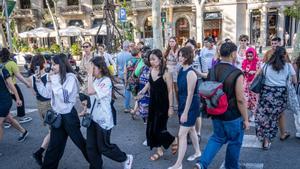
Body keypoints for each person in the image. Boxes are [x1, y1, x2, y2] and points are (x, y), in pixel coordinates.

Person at [194, 42, 250, 169]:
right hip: (232, 114)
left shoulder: (212, 70)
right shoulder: (237, 73)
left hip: (215, 110)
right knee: (235, 142)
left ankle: (201, 164)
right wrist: (246, 119)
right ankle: (231, 167)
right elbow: (240, 99)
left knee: (217, 138)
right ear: (233, 54)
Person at [36, 54, 89, 169]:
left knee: (80, 142)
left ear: (62, 64)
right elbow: (47, 94)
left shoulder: (70, 77)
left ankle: (95, 162)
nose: (52, 66)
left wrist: (53, 80)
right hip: (57, 116)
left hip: (69, 116)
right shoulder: (55, 77)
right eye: (51, 64)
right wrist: (39, 81)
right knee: (54, 146)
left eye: (54, 64)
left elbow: (64, 97)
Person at [83, 56, 133, 169]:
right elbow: (89, 96)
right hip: (92, 118)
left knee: (104, 147)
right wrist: (85, 109)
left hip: (103, 120)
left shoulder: (106, 81)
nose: (91, 70)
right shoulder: (95, 79)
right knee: (91, 147)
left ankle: (125, 158)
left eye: (93, 67)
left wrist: (89, 75)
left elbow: (91, 91)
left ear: (100, 68)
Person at [138, 49, 178, 161]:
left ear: (160, 59)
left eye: (153, 59)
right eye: (150, 59)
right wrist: (143, 91)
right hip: (153, 103)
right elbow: (150, 83)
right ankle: (159, 150)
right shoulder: (151, 70)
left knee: (159, 129)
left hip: (163, 105)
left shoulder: (166, 73)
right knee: (151, 128)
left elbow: (170, 91)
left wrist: (171, 107)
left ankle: (173, 140)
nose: (151, 61)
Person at [255, 47, 296, 150]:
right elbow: (295, 81)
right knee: (274, 117)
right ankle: (269, 139)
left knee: (264, 116)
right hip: (280, 94)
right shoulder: (288, 66)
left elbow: (257, 76)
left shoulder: (265, 65)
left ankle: (265, 139)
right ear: (284, 55)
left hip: (266, 93)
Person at [168, 47, 201, 169]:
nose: (179, 57)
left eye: (182, 56)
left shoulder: (191, 73)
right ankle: (198, 152)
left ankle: (178, 164)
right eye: (179, 55)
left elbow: (191, 94)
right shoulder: (181, 69)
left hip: (191, 105)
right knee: (191, 129)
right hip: (183, 103)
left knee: (182, 134)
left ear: (188, 57)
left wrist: (185, 112)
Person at [262, 37, 291, 140]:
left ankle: (267, 138)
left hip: (267, 90)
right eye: (273, 43)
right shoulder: (269, 54)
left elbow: (260, 72)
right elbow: (292, 76)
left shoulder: (266, 65)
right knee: (280, 112)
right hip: (280, 91)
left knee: (268, 113)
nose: (274, 45)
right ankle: (281, 134)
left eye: (276, 43)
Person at [0, 62, 28, 156]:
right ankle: (23, 131)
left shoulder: (2, 69)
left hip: (4, 100)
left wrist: (18, 98)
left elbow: (11, 85)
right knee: (9, 118)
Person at [29, 55, 52, 166]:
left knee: (51, 130)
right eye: (45, 61)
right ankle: (40, 152)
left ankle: (42, 152)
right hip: (49, 105)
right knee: (53, 131)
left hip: (40, 105)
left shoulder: (32, 78)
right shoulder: (49, 76)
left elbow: (34, 93)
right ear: (43, 63)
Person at [0, 48, 32, 125]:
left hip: (2, 88)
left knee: (4, 104)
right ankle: (21, 117)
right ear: (9, 55)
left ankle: (6, 121)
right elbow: (18, 76)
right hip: (12, 85)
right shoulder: (11, 63)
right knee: (20, 99)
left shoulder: (1, 64)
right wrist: (27, 83)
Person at [185, 39, 208, 142]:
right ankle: (190, 131)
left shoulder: (200, 58)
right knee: (189, 108)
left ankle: (198, 133)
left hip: (198, 84)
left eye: (190, 47)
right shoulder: (184, 58)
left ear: (195, 48)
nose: (188, 49)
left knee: (197, 110)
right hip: (187, 84)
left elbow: (206, 74)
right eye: (186, 47)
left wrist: (196, 72)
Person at [242, 48, 260, 121]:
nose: (249, 57)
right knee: (246, 100)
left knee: (254, 100)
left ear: (254, 55)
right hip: (246, 83)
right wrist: (244, 71)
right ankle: (246, 116)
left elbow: (260, 72)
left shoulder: (258, 62)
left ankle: (254, 115)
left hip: (254, 83)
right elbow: (242, 70)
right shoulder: (244, 61)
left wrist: (254, 72)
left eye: (251, 56)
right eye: (248, 56)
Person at [116, 41, 133, 113]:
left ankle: (127, 105)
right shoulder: (130, 55)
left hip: (120, 73)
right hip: (127, 74)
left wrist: (117, 74)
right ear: (128, 47)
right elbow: (131, 66)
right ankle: (127, 107)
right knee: (128, 90)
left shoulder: (118, 54)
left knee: (126, 89)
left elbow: (116, 65)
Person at [164, 37, 180, 104]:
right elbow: (164, 60)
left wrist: (173, 54)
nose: (171, 43)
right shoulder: (167, 50)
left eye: (173, 41)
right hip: (168, 70)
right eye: (170, 41)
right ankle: (170, 104)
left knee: (176, 89)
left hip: (175, 70)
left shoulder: (178, 50)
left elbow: (178, 61)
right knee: (169, 88)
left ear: (176, 42)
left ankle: (178, 103)